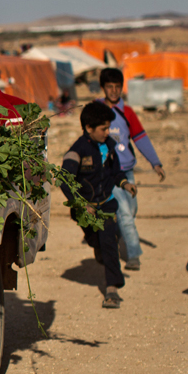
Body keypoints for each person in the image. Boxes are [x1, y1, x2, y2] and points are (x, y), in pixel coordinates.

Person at [59, 101, 137, 309]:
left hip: (107, 205)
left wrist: (125, 183)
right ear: (89, 128)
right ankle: (100, 247)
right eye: (103, 129)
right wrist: (82, 205)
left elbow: (116, 171)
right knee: (99, 243)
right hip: (85, 211)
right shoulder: (77, 151)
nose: (107, 132)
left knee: (109, 242)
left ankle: (112, 289)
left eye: (108, 128)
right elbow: (64, 180)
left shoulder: (110, 146)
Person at [96, 68, 165, 271]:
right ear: (103, 88)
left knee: (131, 211)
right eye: (110, 87)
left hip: (127, 171)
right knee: (125, 213)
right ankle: (134, 254)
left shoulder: (128, 113)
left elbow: (140, 138)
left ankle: (115, 234)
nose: (114, 91)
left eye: (118, 87)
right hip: (109, 173)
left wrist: (155, 163)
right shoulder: (96, 110)